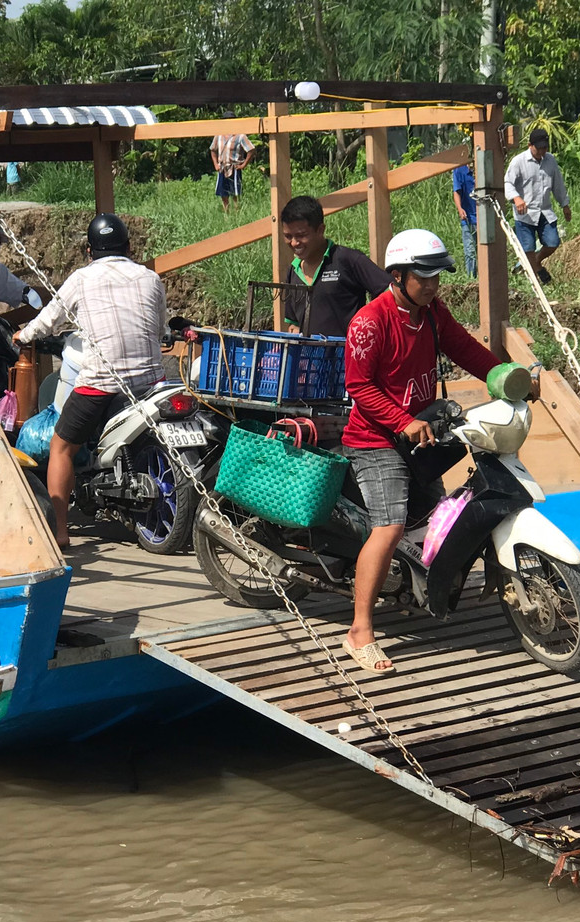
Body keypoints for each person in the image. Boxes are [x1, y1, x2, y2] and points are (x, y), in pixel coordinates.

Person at [340, 229, 507, 674]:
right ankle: (359, 632)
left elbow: (465, 349)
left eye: (438, 276)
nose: (434, 284)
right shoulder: (369, 322)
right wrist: (402, 420)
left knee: (436, 518)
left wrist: (507, 376)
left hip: (420, 435)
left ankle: (416, 589)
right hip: (376, 439)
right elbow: (358, 385)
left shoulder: (432, 313)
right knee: (391, 527)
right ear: (397, 275)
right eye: (424, 276)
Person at [13, 213, 166, 549]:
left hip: (101, 382)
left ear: (88, 251)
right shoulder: (150, 278)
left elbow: (48, 320)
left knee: (61, 447)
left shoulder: (82, 279)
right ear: (128, 247)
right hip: (151, 382)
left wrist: (23, 334)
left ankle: (61, 531)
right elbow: (159, 329)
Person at [280, 195, 391, 338]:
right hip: (308, 358)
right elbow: (294, 323)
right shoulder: (293, 271)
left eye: (301, 235)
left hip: (347, 356)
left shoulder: (348, 260)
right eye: (288, 236)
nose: (294, 243)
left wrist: (370, 325)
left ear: (320, 230)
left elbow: (390, 291)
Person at [504, 128, 570, 285]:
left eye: (544, 147)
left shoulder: (550, 160)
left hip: (545, 212)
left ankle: (535, 263)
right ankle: (537, 277)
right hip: (525, 214)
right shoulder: (518, 162)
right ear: (530, 145)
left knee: (553, 242)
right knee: (528, 248)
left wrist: (565, 205)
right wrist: (517, 198)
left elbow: (558, 185)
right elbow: (508, 183)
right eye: (538, 147)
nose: (542, 151)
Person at [209, 132, 254, 213]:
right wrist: (216, 164)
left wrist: (243, 165)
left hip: (234, 168)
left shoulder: (240, 136)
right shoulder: (219, 135)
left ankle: (237, 215)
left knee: (235, 194)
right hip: (222, 168)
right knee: (223, 194)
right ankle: (227, 215)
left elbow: (251, 150)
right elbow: (213, 149)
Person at [452, 161, 477, 277]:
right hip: (468, 217)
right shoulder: (459, 170)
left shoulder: (483, 168)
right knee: (470, 250)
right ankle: (471, 277)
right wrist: (460, 208)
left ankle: (485, 276)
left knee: (484, 250)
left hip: (484, 217)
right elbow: (456, 191)